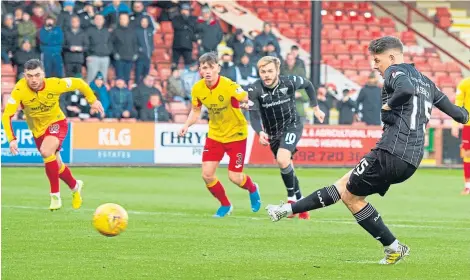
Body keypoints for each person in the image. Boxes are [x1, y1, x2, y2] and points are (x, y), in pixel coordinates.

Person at [264, 36, 469, 264]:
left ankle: (393, 247)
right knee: (346, 187)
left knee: (349, 195)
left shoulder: (395, 72)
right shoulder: (427, 82)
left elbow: (405, 88)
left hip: (391, 150)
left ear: (391, 57)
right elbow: (461, 115)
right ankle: (286, 209)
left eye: (377, 60)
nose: (375, 65)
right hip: (411, 159)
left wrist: (388, 105)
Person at [1, 59, 104, 211]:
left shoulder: (55, 84)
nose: (34, 79)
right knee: (57, 165)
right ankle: (75, 186)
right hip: (38, 131)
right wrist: (12, 139)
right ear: (24, 76)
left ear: (43, 74)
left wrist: (92, 100)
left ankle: (55, 196)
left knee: (45, 151)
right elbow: (6, 115)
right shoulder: (19, 90)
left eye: (37, 75)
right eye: (30, 76)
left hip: (57, 123)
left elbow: (79, 83)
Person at [178, 52, 261, 218]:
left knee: (235, 177)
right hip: (215, 135)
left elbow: (244, 96)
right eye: (204, 68)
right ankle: (225, 205)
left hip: (236, 134)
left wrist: (246, 102)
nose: (207, 71)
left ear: (218, 68)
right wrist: (186, 125)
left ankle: (252, 188)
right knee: (207, 175)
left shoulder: (228, 85)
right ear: (200, 70)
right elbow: (195, 111)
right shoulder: (198, 88)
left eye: (211, 67)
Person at [245, 56, 325, 220]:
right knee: (286, 165)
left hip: (292, 125)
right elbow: (253, 116)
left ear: (277, 71)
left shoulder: (289, 82)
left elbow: (309, 85)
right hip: (272, 133)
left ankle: (291, 201)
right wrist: (260, 132)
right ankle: (301, 203)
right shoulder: (254, 90)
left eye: (270, 71)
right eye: (263, 72)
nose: (266, 75)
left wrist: (315, 108)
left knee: (282, 159)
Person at [451, 76, 470, 195]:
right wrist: (455, 123)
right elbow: (458, 104)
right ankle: (468, 186)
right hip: (468, 125)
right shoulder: (464, 83)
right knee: (467, 154)